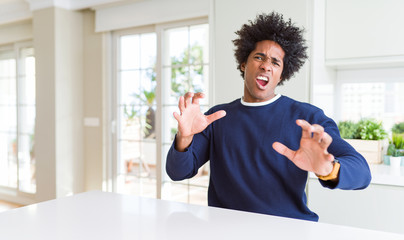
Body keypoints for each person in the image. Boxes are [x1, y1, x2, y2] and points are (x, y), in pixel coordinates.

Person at [166, 11, 371, 221]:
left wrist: (327, 169)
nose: (266, 65)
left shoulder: (307, 118)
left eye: (275, 62)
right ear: (243, 64)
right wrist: (184, 137)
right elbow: (177, 172)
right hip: (226, 230)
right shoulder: (216, 117)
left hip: (289, 231)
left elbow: (362, 172)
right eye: (259, 57)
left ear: (282, 74)